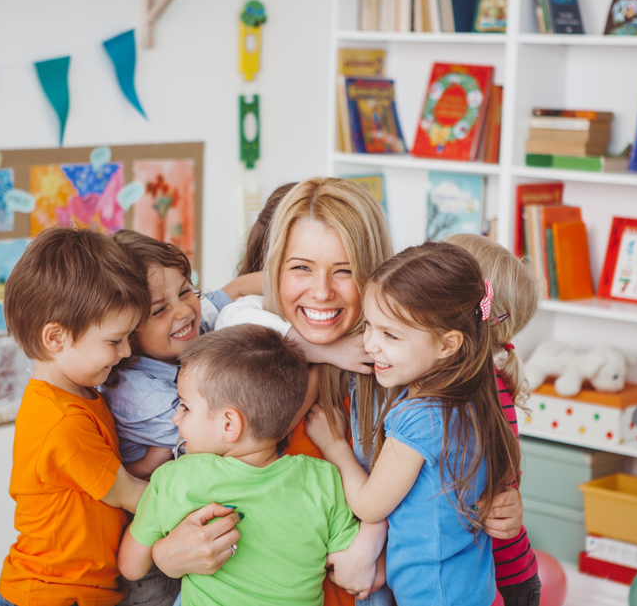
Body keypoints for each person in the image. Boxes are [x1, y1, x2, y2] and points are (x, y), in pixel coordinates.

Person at [216, 177, 525, 604]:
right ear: (275, 272)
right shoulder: (238, 362)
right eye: (301, 267)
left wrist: (504, 505)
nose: (321, 291)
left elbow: (468, 483)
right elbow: (225, 309)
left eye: (344, 271)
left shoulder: (405, 371)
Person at [304, 241, 523, 606]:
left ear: (447, 345)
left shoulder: (420, 418)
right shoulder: (475, 395)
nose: (371, 345)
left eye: (390, 335)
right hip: (471, 589)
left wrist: (335, 447)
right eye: (369, 326)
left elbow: (371, 506)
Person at [118, 324, 362, 606]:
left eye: (185, 407)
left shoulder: (177, 478)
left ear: (230, 424)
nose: (176, 419)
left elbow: (131, 567)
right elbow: (348, 560)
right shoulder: (324, 479)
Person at [97, 229, 260, 606]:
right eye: (159, 310)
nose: (184, 311)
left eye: (186, 291)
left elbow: (234, 289)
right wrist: (323, 357)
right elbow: (233, 429)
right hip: (151, 546)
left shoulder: (190, 327)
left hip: (194, 525)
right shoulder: (137, 389)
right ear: (129, 331)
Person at [0, 227, 151, 606]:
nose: (126, 350)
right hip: (53, 595)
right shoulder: (62, 422)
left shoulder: (83, 394)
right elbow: (132, 495)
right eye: (115, 340)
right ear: (56, 338)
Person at [446, 233, 541, 606]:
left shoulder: (483, 389)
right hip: (506, 569)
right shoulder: (481, 379)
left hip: (507, 579)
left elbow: (503, 482)